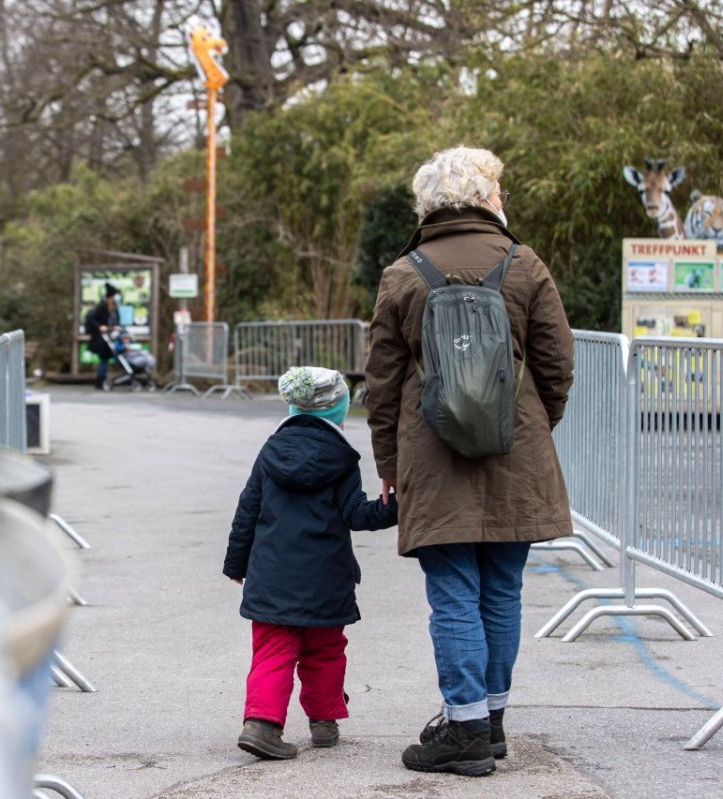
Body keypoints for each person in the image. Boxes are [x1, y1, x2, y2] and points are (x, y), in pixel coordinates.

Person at [364, 146, 574, 776]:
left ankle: (465, 730)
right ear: (485, 199)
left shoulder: (403, 274)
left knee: (453, 592)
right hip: (518, 452)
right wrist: (533, 425)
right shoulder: (524, 265)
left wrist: (390, 460)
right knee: (502, 591)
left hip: (432, 454)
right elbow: (557, 363)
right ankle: (493, 723)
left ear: (430, 206)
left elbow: (381, 382)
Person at [223, 366, 398, 761]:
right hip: (326, 579)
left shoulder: (270, 452)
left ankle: (262, 725)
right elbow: (357, 514)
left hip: (271, 576)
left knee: (272, 650)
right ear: (337, 410)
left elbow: (247, 510)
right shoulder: (342, 458)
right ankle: (323, 721)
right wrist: (399, 508)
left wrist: (238, 563)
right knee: (325, 651)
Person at [83, 284, 120, 390]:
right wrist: (100, 327)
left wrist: (116, 326)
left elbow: (116, 320)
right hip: (102, 339)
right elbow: (90, 318)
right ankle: (100, 381)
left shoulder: (115, 308)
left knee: (112, 359)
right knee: (104, 360)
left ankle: (105, 380)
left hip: (111, 337)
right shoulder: (102, 306)